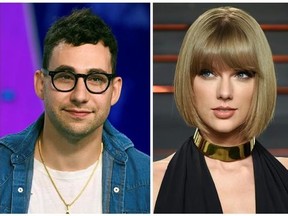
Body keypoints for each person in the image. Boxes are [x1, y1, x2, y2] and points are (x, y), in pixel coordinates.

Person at [0, 8, 150, 214]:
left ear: (114, 90)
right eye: (65, 77)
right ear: (40, 84)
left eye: (96, 79)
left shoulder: (147, 180)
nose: (80, 96)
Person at [153, 6, 288, 213]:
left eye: (241, 74)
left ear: (261, 82)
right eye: (208, 73)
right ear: (188, 80)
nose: (224, 92)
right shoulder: (152, 183)